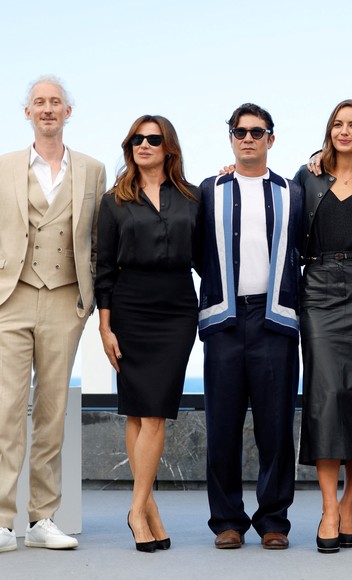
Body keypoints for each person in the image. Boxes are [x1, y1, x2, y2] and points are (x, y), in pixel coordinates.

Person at [0, 75, 106, 553]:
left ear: (68, 111)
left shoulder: (92, 169)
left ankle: (43, 518)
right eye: (39, 102)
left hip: (66, 299)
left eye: (55, 102)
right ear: (28, 112)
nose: (47, 108)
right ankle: (2, 522)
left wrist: (90, 299)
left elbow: (99, 238)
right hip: (12, 297)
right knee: (6, 410)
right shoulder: (4, 167)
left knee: (52, 411)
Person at [198, 103, 303, 550]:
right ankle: (227, 520)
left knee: (275, 427)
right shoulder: (209, 190)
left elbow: (306, 247)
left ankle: (274, 519)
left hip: (274, 318)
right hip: (224, 317)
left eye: (256, 132)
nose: (247, 138)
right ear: (231, 138)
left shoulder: (293, 192)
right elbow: (196, 250)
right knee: (221, 426)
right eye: (240, 131)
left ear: (270, 139)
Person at [95, 115, 200, 552]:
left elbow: (208, 256)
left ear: (168, 147)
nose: (143, 145)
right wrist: (105, 325)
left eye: (153, 139)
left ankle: (138, 507)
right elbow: (103, 266)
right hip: (130, 306)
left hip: (177, 308)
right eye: (136, 139)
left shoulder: (193, 197)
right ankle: (144, 510)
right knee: (138, 411)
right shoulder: (114, 201)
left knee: (155, 410)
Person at [294, 100, 352, 553]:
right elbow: (273, 207)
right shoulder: (308, 177)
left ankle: (349, 504)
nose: (345, 131)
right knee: (326, 396)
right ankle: (328, 508)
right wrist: (231, 173)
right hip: (317, 290)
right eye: (338, 124)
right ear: (329, 130)